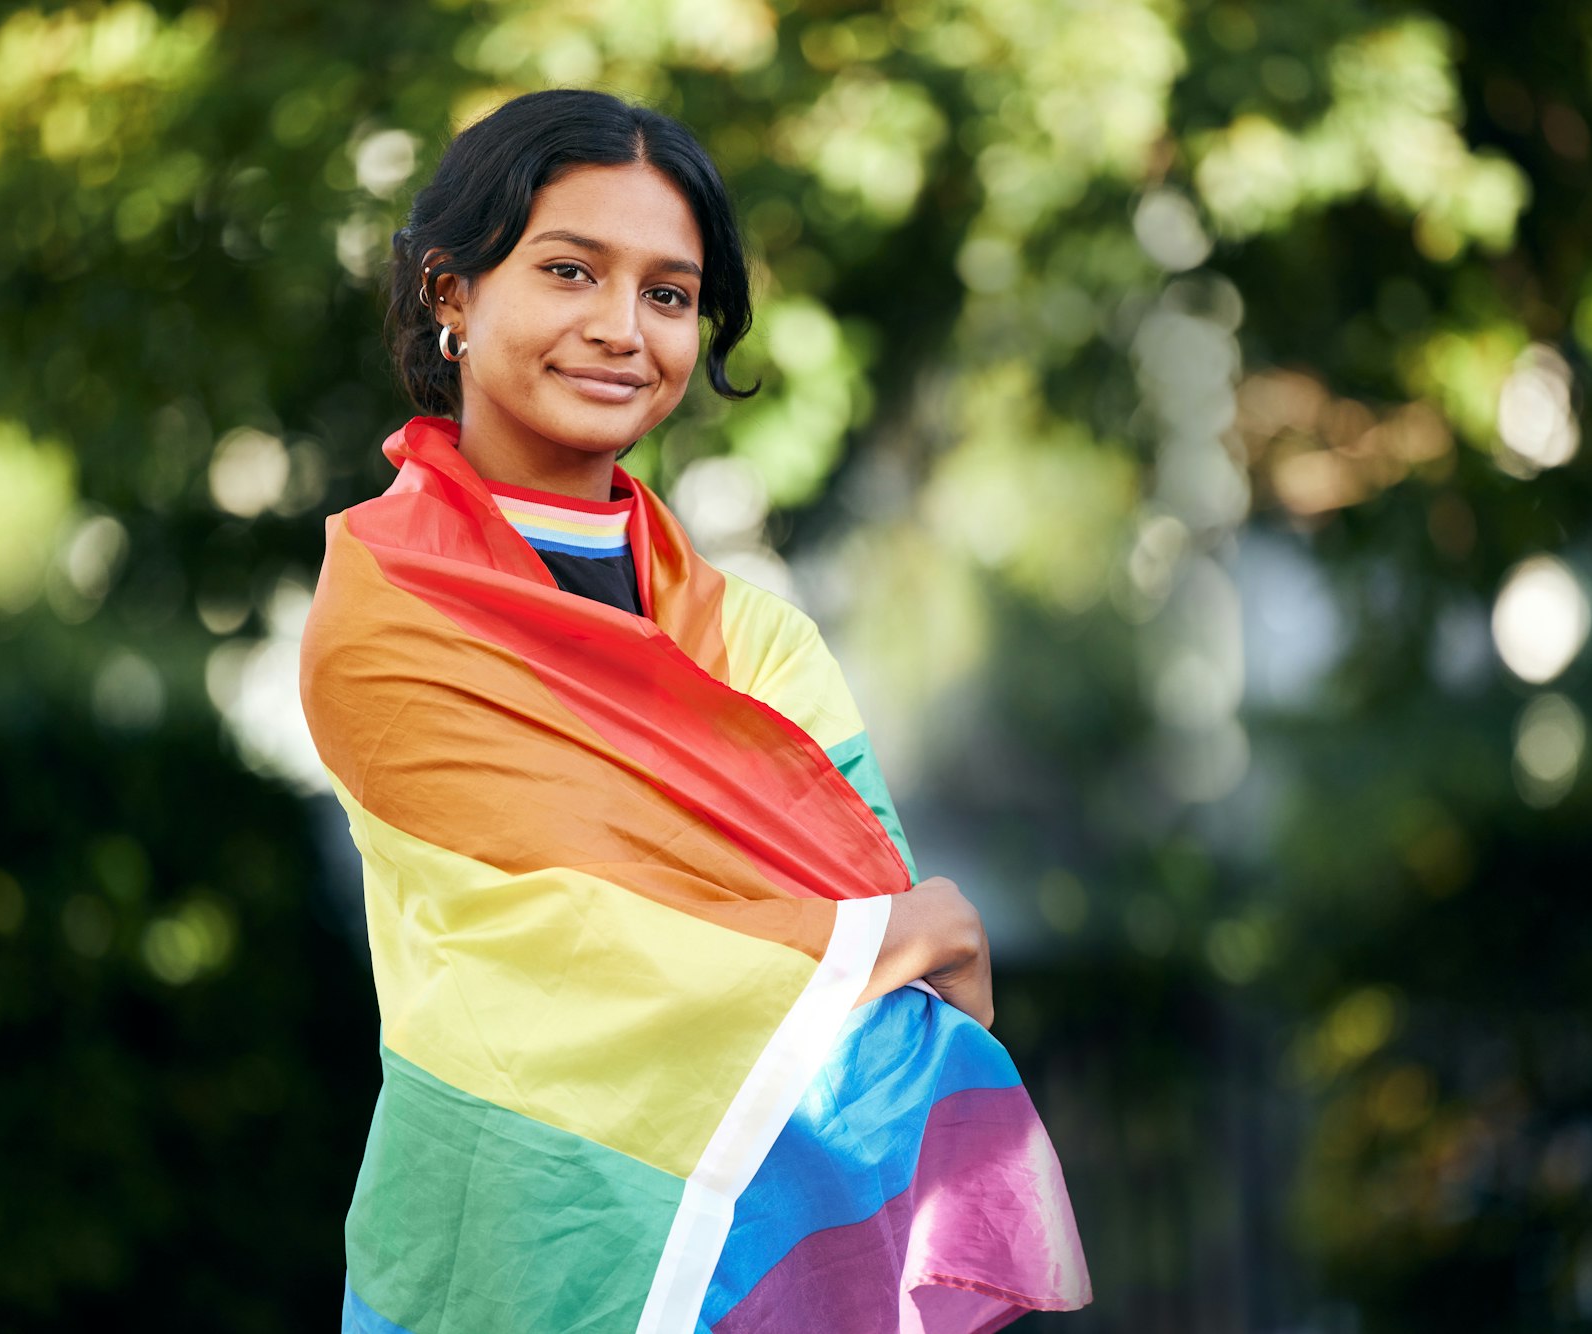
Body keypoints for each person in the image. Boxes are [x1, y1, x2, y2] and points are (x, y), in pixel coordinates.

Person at [301, 88, 1087, 1333]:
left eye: (668, 294)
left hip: (771, 1255)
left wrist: (871, 946)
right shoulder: (391, 610)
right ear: (450, 291)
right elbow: (550, 953)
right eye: (570, 271)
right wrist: (886, 933)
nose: (622, 329)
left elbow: (898, 1027)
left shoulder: (757, 643)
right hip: (495, 1243)